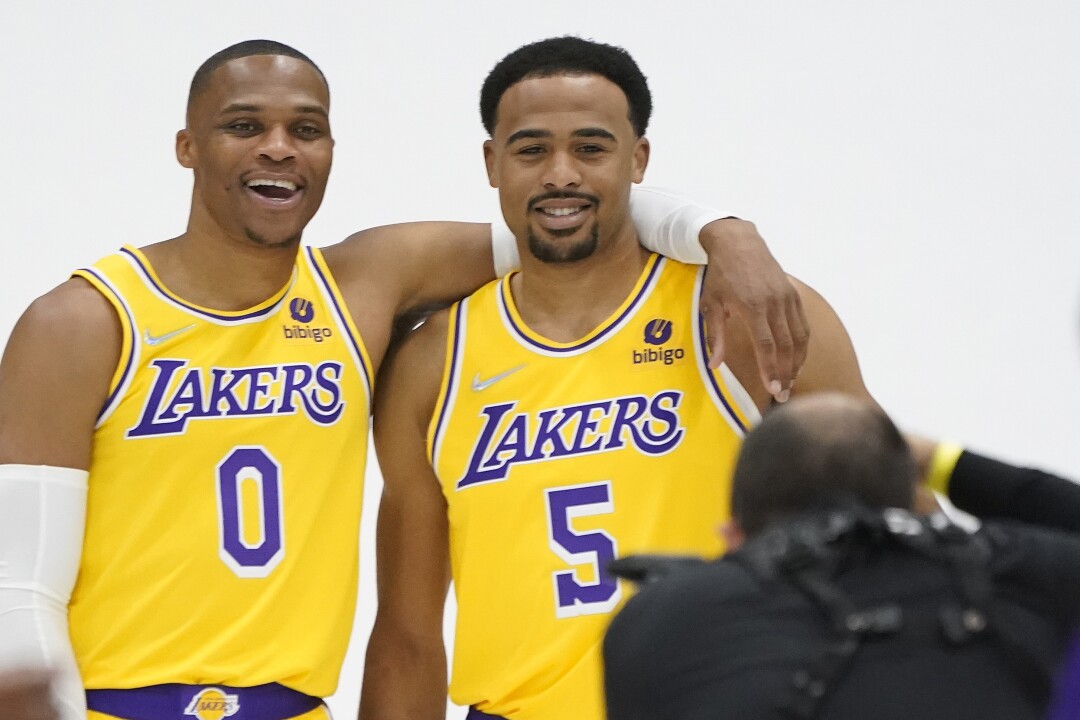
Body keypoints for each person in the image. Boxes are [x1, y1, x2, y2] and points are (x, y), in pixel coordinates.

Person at [0, 40, 810, 720]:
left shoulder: (361, 287)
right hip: (112, 707)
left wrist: (723, 232)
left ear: (330, 150)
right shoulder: (84, 321)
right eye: (244, 126)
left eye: (305, 129)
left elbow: (572, 212)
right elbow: (17, 588)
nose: (278, 148)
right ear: (187, 146)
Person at [360, 36, 897, 720]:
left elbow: (902, 523)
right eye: (531, 150)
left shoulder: (741, 316)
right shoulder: (432, 364)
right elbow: (408, 637)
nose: (561, 174)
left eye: (591, 148)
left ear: (637, 159)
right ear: (492, 163)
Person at [602, 394, 1080, 720]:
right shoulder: (1023, 573)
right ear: (914, 508)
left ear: (733, 536)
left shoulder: (661, 622)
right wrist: (941, 462)